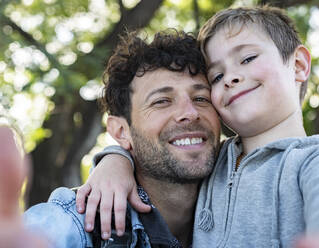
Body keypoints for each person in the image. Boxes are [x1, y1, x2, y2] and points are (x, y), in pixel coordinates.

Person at [77, 5, 319, 248]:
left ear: (298, 65)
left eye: (247, 58)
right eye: (216, 77)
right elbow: (154, 153)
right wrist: (115, 161)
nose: (231, 77)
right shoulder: (212, 160)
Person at [21, 30, 221, 248]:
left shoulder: (246, 191)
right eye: (162, 101)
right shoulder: (80, 224)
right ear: (121, 132)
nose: (190, 113)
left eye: (201, 98)